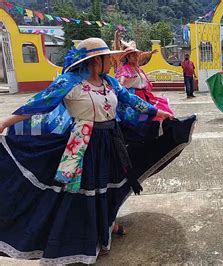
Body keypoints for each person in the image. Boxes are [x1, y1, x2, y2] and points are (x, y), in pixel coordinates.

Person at [0, 38, 196, 264]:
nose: (112, 61)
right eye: (107, 57)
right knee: (86, 189)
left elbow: (129, 99)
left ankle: (107, 224)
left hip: (112, 140)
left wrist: (156, 113)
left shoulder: (109, 82)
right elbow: (38, 104)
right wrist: (6, 122)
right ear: (95, 60)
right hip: (84, 145)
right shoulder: (69, 82)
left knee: (110, 184)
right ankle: (85, 237)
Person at [114, 30, 175, 119]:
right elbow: (121, 81)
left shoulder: (138, 68)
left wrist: (150, 53)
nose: (136, 57)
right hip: (133, 98)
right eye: (133, 55)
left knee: (161, 109)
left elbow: (144, 56)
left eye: (137, 55)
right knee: (141, 120)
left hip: (144, 96)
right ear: (127, 57)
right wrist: (116, 38)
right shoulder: (125, 69)